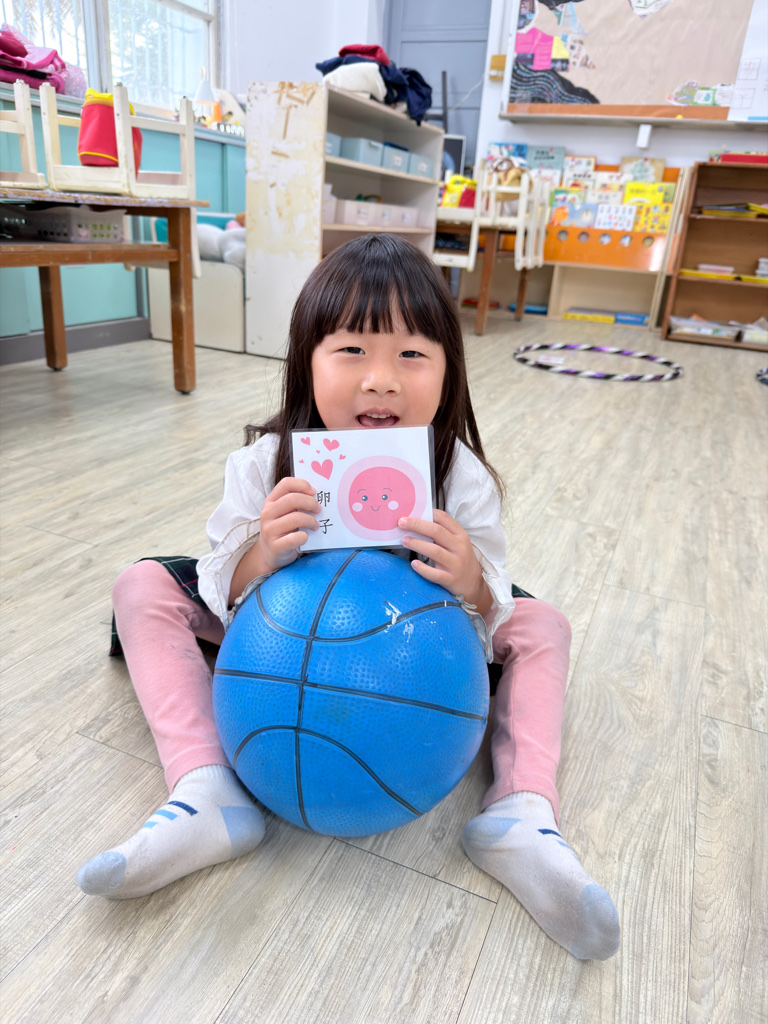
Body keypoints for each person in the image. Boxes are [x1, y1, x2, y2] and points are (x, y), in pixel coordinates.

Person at [77, 235, 620, 961]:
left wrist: (471, 582)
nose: (381, 380)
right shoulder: (264, 463)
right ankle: (207, 787)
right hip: (273, 638)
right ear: (308, 361)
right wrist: (260, 554)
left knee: (543, 624)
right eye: (353, 351)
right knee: (141, 583)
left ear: (450, 372)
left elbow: (491, 603)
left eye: (412, 354)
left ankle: (521, 814)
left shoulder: (458, 475)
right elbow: (217, 580)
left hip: (420, 654)